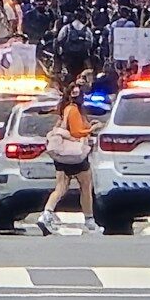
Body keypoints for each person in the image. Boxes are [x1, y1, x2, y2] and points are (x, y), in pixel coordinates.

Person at [36, 83, 95, 235]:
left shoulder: (64, 109)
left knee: (61, 187)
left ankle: (46, 215)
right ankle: (90, 221)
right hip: (75, 154)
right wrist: (92, 129)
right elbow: (76, 133)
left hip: (62, 156)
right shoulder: (73, 110)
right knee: (86, 185)